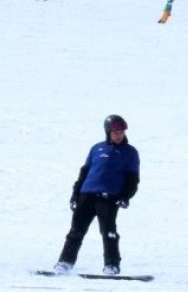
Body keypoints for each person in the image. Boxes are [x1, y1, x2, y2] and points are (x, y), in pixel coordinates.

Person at [50, 115, 140, 275]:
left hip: (108, 198)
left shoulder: (130, 152)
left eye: (121, 132)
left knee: (109, 232)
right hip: (86, 195)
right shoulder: (96, 148)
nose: (119, 135)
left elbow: (133, 179)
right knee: (76, 231)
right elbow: (84, 173)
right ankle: (65, 263)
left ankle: (111, 265)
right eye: (115, 132)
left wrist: (126, 196)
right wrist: (75, 195)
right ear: (108, 132)